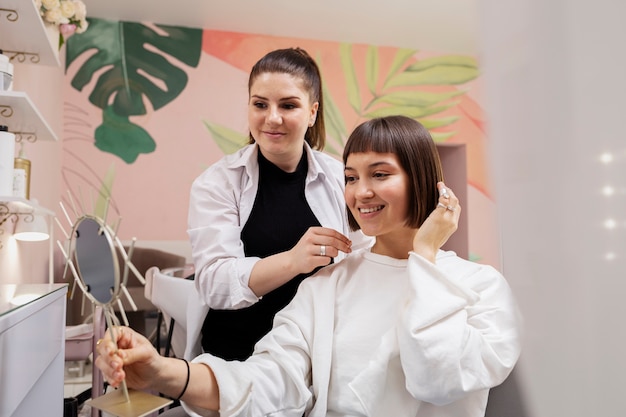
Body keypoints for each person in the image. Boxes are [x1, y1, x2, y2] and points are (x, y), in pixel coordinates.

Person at [96, 115, 522, 417]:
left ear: (427, 182)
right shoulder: (329, 283)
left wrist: (425, 256)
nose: (360, 192)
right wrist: (162, 371)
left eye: (380, 174)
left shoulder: (480, 286)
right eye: (352, 177)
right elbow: (270, 380)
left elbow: (438, 380)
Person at [184, 47, 372, 360]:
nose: (273, 118)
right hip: (235, 360)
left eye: (288, 105)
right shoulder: (216, 183)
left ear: (312, 112)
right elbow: (213, 284)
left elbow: (364, 259)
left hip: (316, 360)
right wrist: (293, 261)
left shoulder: (341, 178)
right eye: (260, 104)